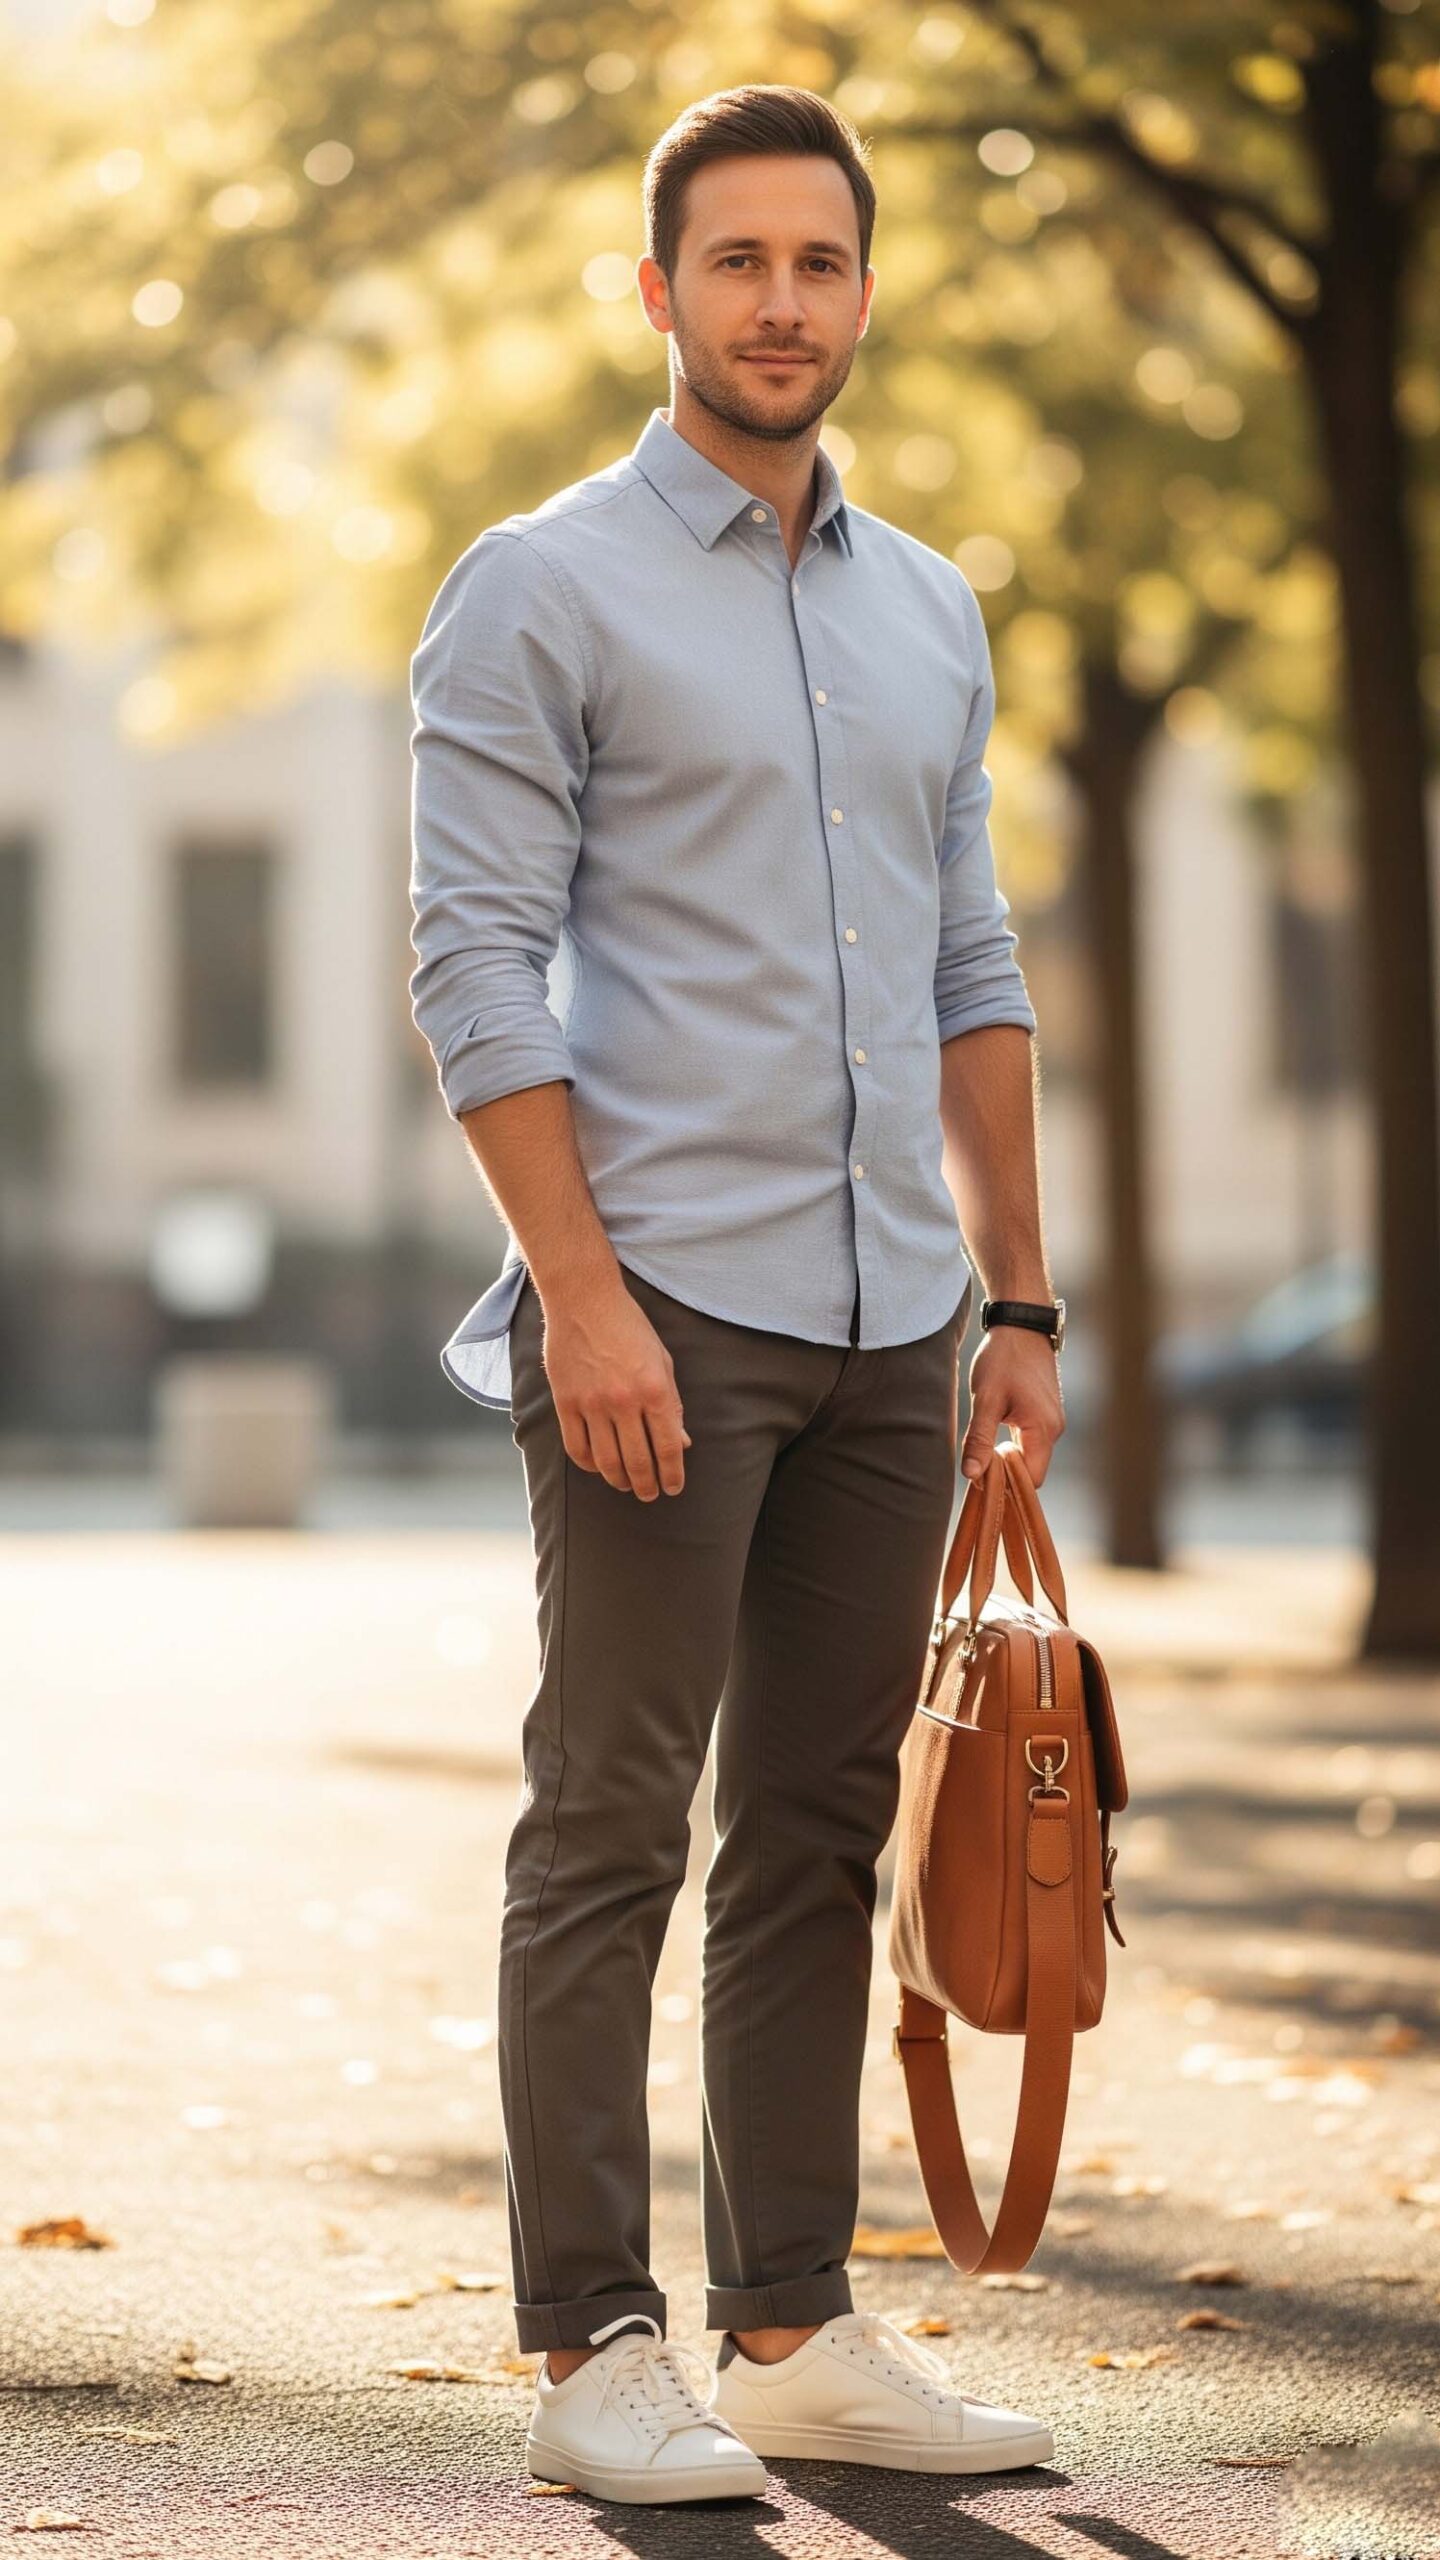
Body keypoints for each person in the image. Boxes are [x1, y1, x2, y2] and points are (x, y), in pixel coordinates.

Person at [408, 81, 1066, 2508]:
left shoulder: (929, 607)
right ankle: (595, 2343)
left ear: (865, 291)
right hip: (657, 1301)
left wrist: (1024, 1302)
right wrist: (577, 1294)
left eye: (820, 261)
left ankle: (789, 2319)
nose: (780, 301)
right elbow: (475, 964)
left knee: (813, 1820)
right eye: (737, 261)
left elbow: (972, 955)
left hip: (902, 1315)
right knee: (610, 1821)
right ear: (656, 287)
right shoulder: (540, 582)